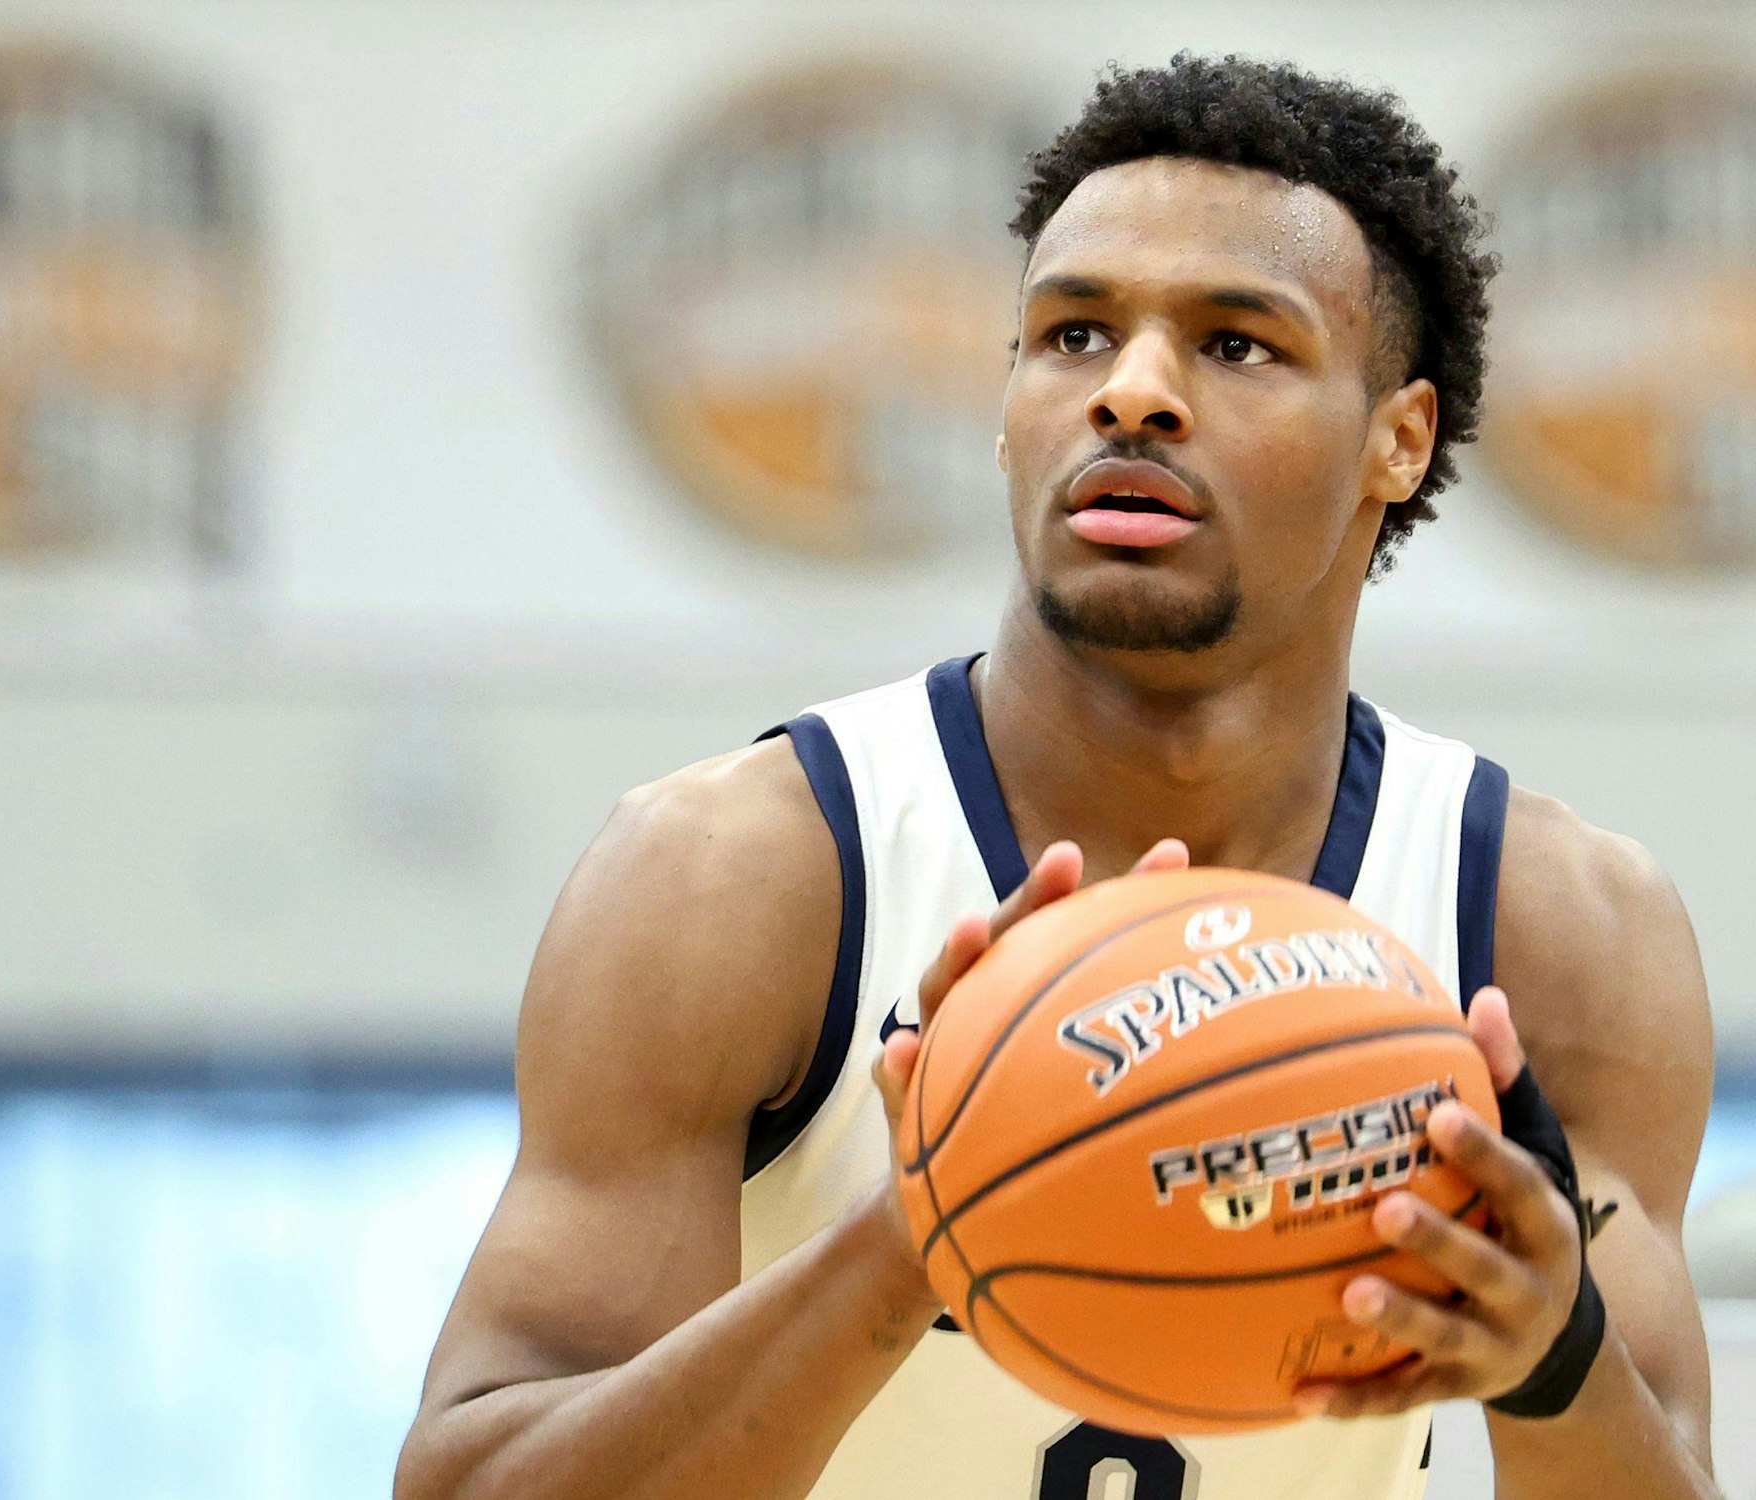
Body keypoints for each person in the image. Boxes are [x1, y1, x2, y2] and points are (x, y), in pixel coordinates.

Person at [395, 55, 1718, 1500]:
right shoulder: (745, 874)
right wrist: (915, 1240)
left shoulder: (1554, 927)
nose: (1131, 396)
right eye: (1074, 333)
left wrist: (1555, 1358)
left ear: (1396, 440)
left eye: (1237, 345)